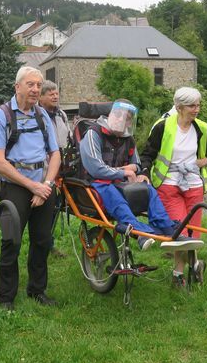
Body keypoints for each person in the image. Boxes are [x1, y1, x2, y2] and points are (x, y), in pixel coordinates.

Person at [0, 67, 61, 311]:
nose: (36, 89)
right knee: (11, 241)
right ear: (17, 86)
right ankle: (6, 297)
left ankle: (37, 290)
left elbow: (56, 154)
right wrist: (32, 187)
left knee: (42, 240)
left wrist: (47, 186)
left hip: (43, 184)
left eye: (38, 85)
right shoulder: (2, 116)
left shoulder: (42, 116)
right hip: (15, 187)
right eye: (30, 84)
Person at [141, 87, 207, 288]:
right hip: (169, 185)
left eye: (198, 105)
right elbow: (147, 154)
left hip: (194, 185)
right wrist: (143, 173)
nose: (196, 109)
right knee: (179, 232)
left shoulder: (202, 128)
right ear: (179, 107)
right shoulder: (163, 127)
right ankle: (182, 273)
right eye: (192, 106)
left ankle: (189, 268)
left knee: (193, 235)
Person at [79, 99, 189, 250]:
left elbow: (137, 165)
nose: (120, 120)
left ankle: (168, 228)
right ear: (109, 115)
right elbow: (96, 168)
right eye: (117, 115)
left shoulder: (128, 139)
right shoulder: (94, 134)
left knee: (148, 189)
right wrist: (125, 171)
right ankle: (139, 231)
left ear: (130, 123)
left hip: (119, 181)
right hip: (96, 182)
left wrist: (132, 171)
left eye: (126, 118)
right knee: (113, 194)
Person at [39, 80, 71, 258]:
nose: (55, 96)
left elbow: (67, 138)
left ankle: (48, 244)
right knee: (45, 210)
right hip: (44, 169)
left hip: (61, 169)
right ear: (41, 97)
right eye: (50, 93)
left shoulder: (62, 115)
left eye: (56, 93)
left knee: (55, 208)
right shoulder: (37, 115)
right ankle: (43, 245)